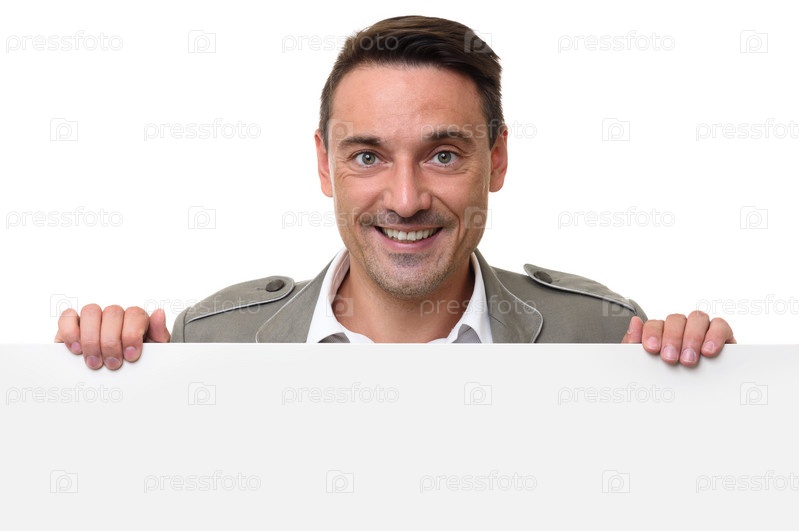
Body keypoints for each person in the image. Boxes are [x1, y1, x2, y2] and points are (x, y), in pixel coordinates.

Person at [55, 15, 735, 370]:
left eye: (443, 154)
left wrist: (712, 393)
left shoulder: (605, 338)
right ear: (324, 166)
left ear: (496, 159)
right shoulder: (208, 344)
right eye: (367, 156)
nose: (405, 199)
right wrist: (104, 382)